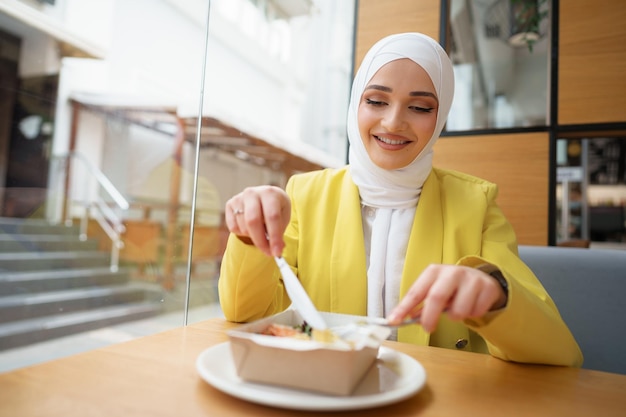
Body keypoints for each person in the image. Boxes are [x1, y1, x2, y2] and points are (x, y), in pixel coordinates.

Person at [218, 32, 583, 367]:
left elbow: (559, 352)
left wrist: (496, 294)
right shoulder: (304, 195)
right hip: (324, 393)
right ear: (355, 103)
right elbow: (243, 316)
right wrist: (250, 235)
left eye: (420, 107)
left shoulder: (476, 203)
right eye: (376, 100)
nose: (393, 122)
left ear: (440, 119)